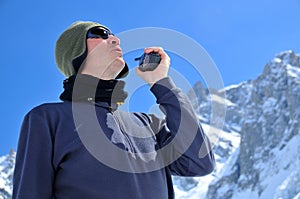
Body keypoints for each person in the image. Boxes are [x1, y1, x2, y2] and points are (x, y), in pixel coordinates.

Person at [12, 20, 215, 199]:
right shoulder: (48, 119)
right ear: (76, 53)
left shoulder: (147, 123)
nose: (115, 39)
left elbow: (200, 161)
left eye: (113, 34)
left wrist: (161, 82)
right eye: (99, 34)